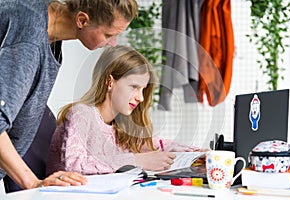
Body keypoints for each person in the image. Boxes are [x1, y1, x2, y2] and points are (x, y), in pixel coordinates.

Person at [0, 0, 138, 189]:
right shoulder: (29, 40)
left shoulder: (46, 26)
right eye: (109, 35)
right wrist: (32, 183)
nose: (113, 44)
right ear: (82, 20)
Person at [46, 45, 201, 175]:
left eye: (143, 89)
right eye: (134, 87)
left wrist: (199, 154)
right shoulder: (81, 114)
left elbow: (157, 144)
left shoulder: (120, 125)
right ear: (110, 82)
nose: (140, 98)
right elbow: (73, 165)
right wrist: (137, 160)